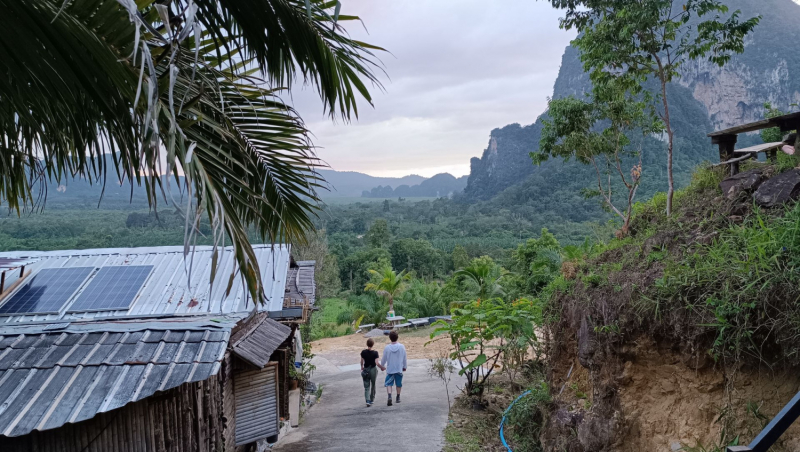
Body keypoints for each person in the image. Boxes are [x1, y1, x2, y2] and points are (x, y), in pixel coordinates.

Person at [381, 330, 407, 406]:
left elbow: (384, 358)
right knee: (398, 383)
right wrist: (405, 366)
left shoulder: (387, 348)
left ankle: (389, 396)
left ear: (390, 338)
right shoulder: (402, 347)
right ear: (397, 337)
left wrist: (382, 365)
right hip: (399, 368)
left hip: (390, 369)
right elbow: (404, 358)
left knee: (389, 383)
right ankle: (398, 397)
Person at [360, 339, 384, 406]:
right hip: (373, 369)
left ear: (367, 344)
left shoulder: (363, 352)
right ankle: (372, 399)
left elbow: (361, 361)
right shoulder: (375, 353)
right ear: (373, 344)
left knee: (366, 386)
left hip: (366, 369)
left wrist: (362, 366)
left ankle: (367, 400)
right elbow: (376, 363)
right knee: (373, 384)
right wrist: (382, 367)